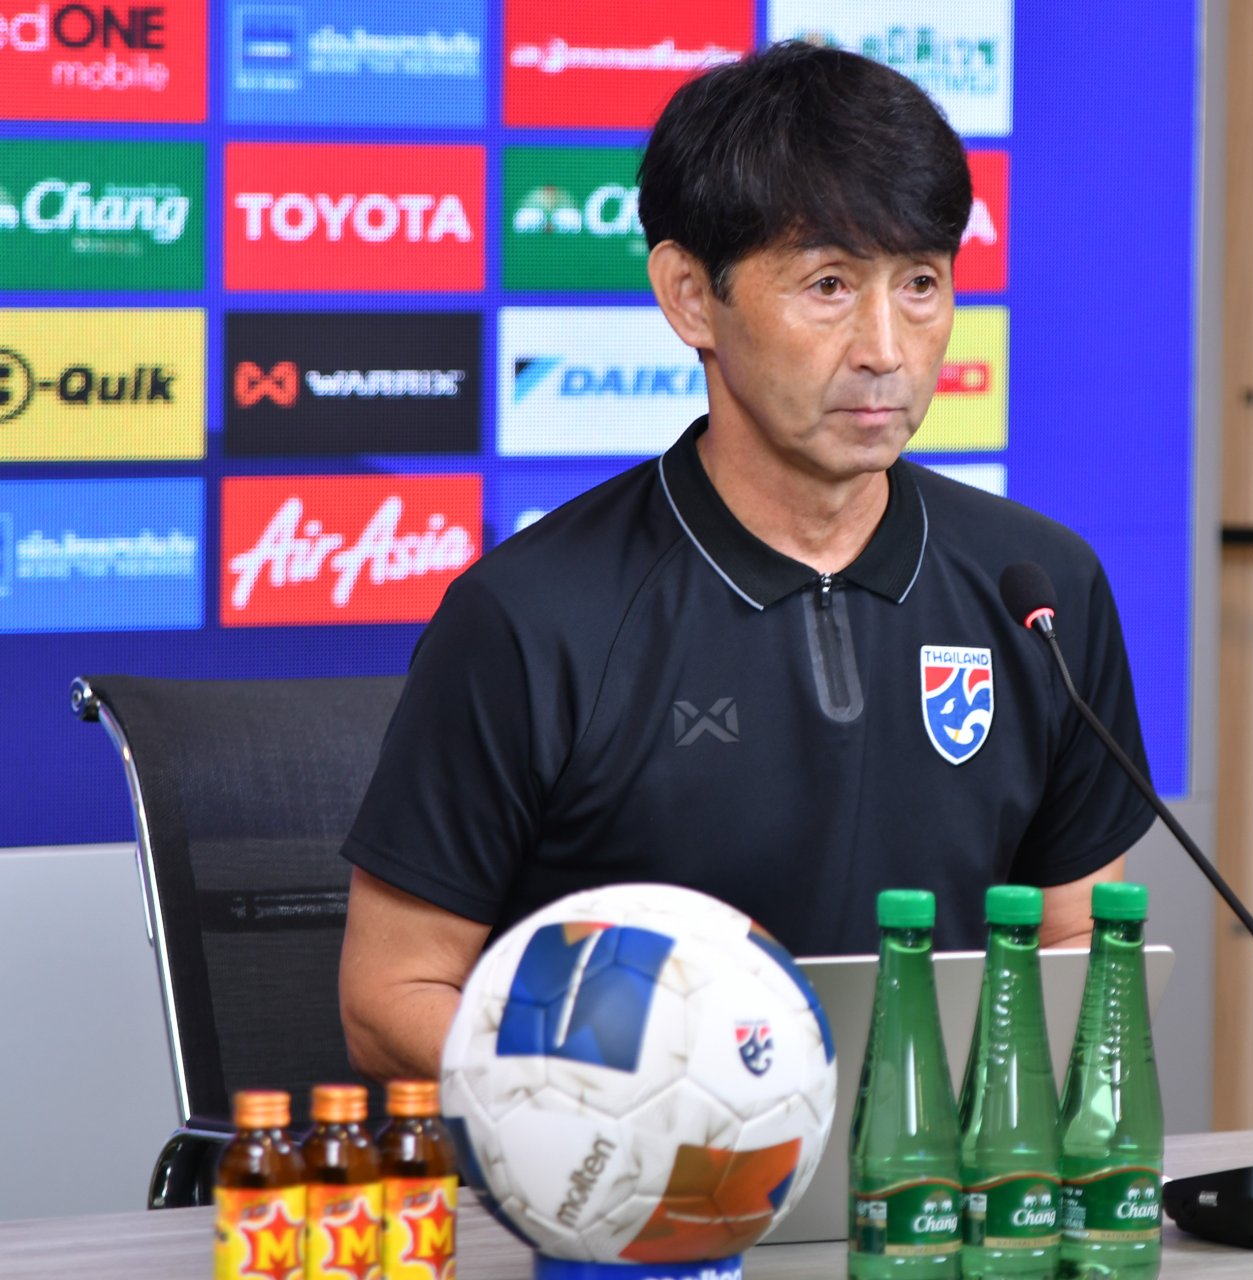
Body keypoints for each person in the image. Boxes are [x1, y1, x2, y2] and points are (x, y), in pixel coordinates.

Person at [337, 42, 1156, 1082]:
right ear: (690, 296)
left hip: (935, 1170)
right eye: (829, 284)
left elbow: (1076, 941)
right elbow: (391, 998)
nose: (887, 348)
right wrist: (639, 1099)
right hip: (630, 1170)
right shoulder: (531, 616)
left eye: (920, 283)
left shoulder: (1041, 589)